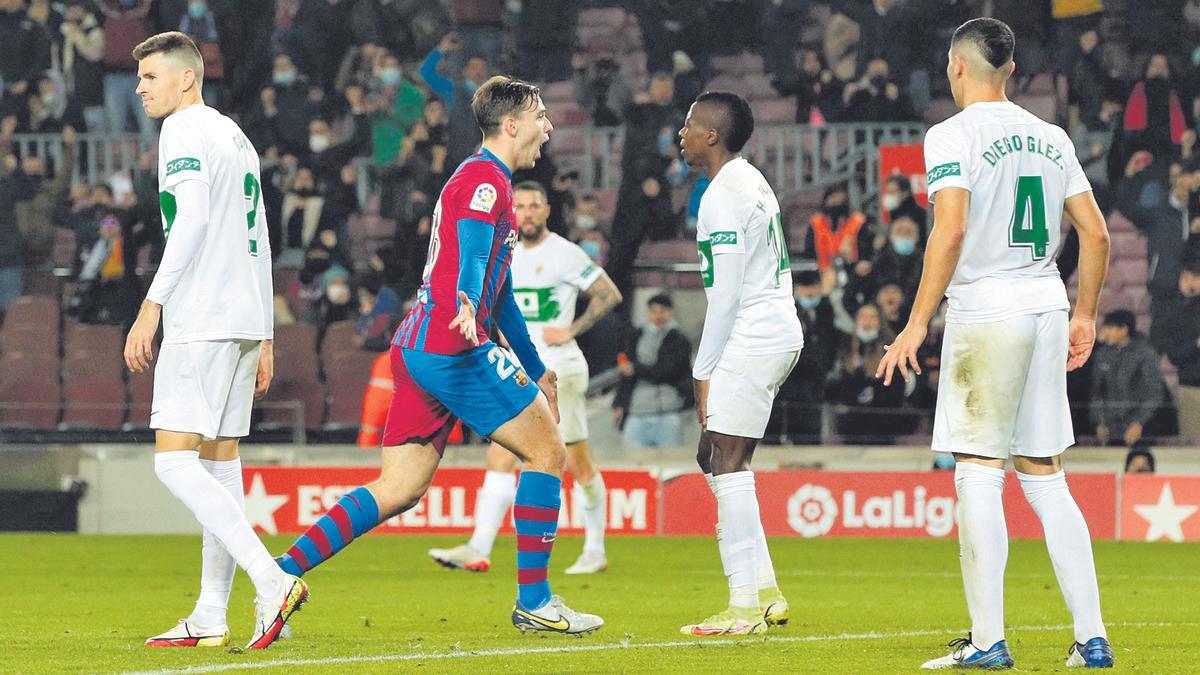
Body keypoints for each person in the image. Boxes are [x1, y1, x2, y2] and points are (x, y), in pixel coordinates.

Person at [274, 76, 604, 636]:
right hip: (454, 346)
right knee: (548, 453)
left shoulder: (482, 177)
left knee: (399, 488)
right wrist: (468, 300)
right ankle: (537, 601)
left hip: (418, 347)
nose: (549, 126)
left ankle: (276, 572)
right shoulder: (485, 179)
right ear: (513, 123)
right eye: (541, 115)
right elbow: (475, 255)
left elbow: (501, 298)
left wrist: (533, 363)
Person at [875, 19, 1113, 669]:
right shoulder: (1051, 136)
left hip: (987, 309)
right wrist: (1086, 312)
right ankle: (1091, 637)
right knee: (1045, 476)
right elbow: (1095, 235)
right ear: (1008, 72)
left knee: (977, 473)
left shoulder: (950, 135)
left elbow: (948, 231)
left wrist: (918, 321)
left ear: (957, 67)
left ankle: (988, 641)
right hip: (1045, 303)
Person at [121, 32, 305, 651]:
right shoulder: (235, 135)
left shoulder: (182, 132)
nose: (142, 87)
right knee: (219, 465)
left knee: (173, 461)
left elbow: (193, 222)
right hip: (243, 317)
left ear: (186, 80)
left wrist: (152, 307)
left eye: (151, 76)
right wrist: (268, 332)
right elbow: (260, 234)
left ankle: (271, 579)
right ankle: (209, 614)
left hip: (202, 315)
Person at [428, 180, 622, 576]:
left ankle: (595, 549)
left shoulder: (565, 253)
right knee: (501, 453)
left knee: (577, 462)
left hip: (559, 369)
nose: (528, 212)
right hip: (517, 369)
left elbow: (609, 294)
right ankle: (479, 546)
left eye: (536, 205)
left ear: (548, 211)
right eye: (522, 205)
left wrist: (572, 329)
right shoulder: (505, 252)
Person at [678, 91, 803, 636]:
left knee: (727, 460)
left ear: (712, 135)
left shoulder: (721, 194)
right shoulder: (749, 180)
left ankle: (743, 608)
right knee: (714, 456)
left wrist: (702, 371)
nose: (680, 133)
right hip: (773, 330)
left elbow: (725, 294)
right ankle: (767, 592)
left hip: (751, 334)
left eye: (688, 125)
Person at [612, 293, 693, 449]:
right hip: (637, 410)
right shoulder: (637, 336)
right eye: (653, 311)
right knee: (633, 463)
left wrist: (636, 368)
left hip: (668, 410)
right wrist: (619, 403)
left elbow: (667, 370)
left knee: (669, 464)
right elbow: (626, 376)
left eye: (662, 311)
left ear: (670, 312)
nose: (657, 316)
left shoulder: (679, 339)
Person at [1091, 310, 1167, 446]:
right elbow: (1097, 392)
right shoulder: (1102, 355)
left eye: (1109, 327)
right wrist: (1100, 422)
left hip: (1142, 429)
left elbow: (1154, 394)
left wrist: (1139, 423)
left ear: (1123, 329)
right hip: (1110, 430)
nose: (1105, 332)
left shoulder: (1145, 355)